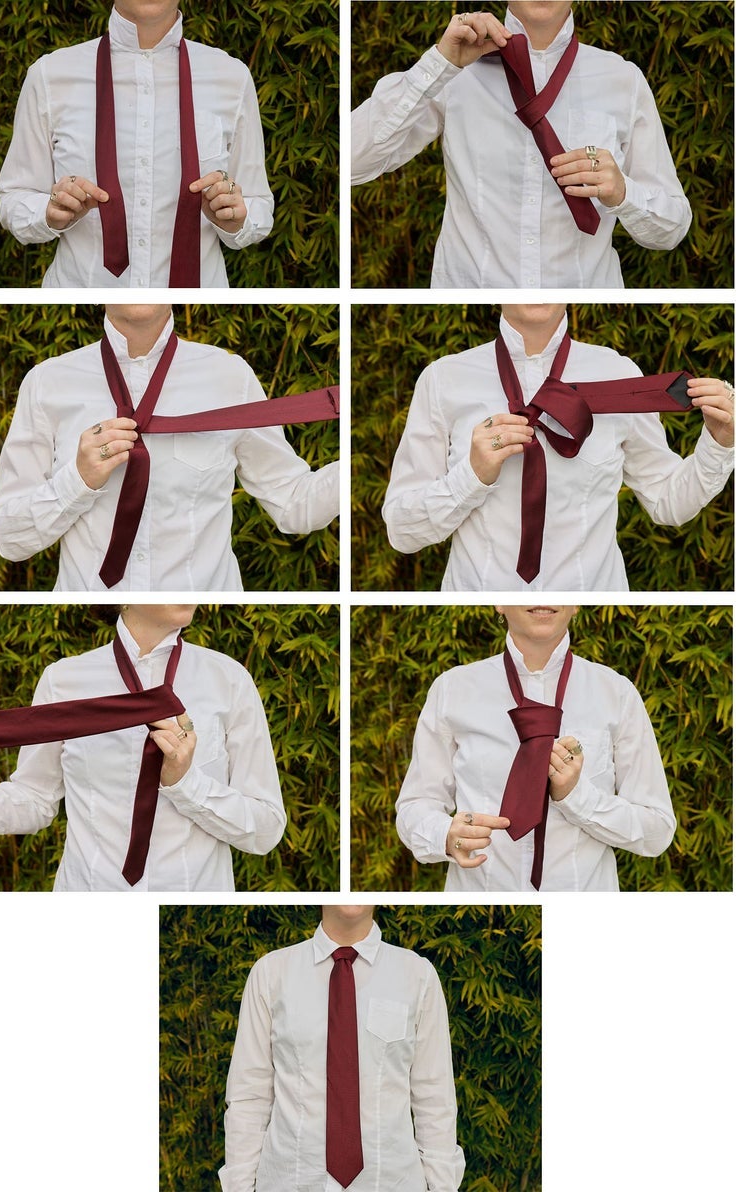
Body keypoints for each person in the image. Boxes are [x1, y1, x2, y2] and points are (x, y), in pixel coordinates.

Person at [382, 303, 734, 591]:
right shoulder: (444, 379)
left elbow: (667, 502)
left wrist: (720, 443)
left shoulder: (619, 375)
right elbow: (401, 530)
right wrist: (471, 476)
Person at [0, 303, 339, 591]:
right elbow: (10, 538)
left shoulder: (229, 377)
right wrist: (77, 480)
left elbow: (294, 503)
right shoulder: (48, 382)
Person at [351, 2, 691, 287]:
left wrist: (623, 193)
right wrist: (439, 64)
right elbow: (351, 162)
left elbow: (672, 227)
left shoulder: (622, 79)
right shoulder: (456, 72)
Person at [0, 604, 286, 892]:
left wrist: (186, 784)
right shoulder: (64, 680)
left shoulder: (227, 679)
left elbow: (266, 828)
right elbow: (33, 802)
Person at [395, 606, 676, 892]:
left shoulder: (616, 693)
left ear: (577, 604)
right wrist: (444, 834)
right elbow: (414, 806)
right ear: (499, 604)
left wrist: (577, 798)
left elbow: (657, 829)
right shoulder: (452, 689)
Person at [0, 2, 273, 287]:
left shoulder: (232, 78)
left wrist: (236, 219)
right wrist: (49, 212)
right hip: (79, 287)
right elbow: (15, 197)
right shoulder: (49, 76)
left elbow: (259, 206)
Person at [219, 904, 465, 1190]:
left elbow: (435, 1099)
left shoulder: (417, 976)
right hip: (290, 1182)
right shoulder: (271, 974)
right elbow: (249, 1098)